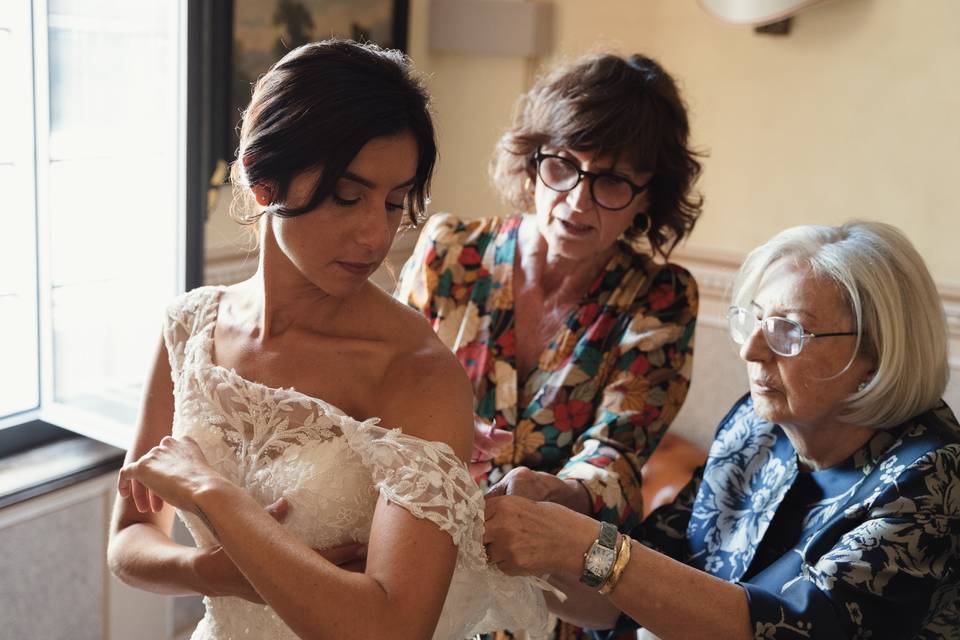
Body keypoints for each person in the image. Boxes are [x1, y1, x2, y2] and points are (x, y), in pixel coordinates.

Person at [107, 40, 552, 640]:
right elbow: (129, 538)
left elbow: (394, 627)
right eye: (348, 197)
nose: (376, 234)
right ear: (263, 182)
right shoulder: (190, 327)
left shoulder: (415, 372)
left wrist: (217, 498)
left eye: (395, 202)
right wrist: (220, 574)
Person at [482, 221, 960, 639]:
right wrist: (538, 544)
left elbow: (796, 630)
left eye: (788, 330)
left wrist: (584, 544)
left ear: (874, 356)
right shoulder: (755, 430)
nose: (751, 351)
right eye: (754, 320)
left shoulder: (933, 476)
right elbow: (625, 596)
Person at [396, 52, 704, 638]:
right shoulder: (451, 251)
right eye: (563, 166)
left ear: (648, 195)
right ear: (533, 161)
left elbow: (617, 452)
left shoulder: (661, 297)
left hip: (551, 592)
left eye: (611, 180)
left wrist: (557, 491)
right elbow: (385, 390)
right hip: (418, 557)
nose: (577, 201)